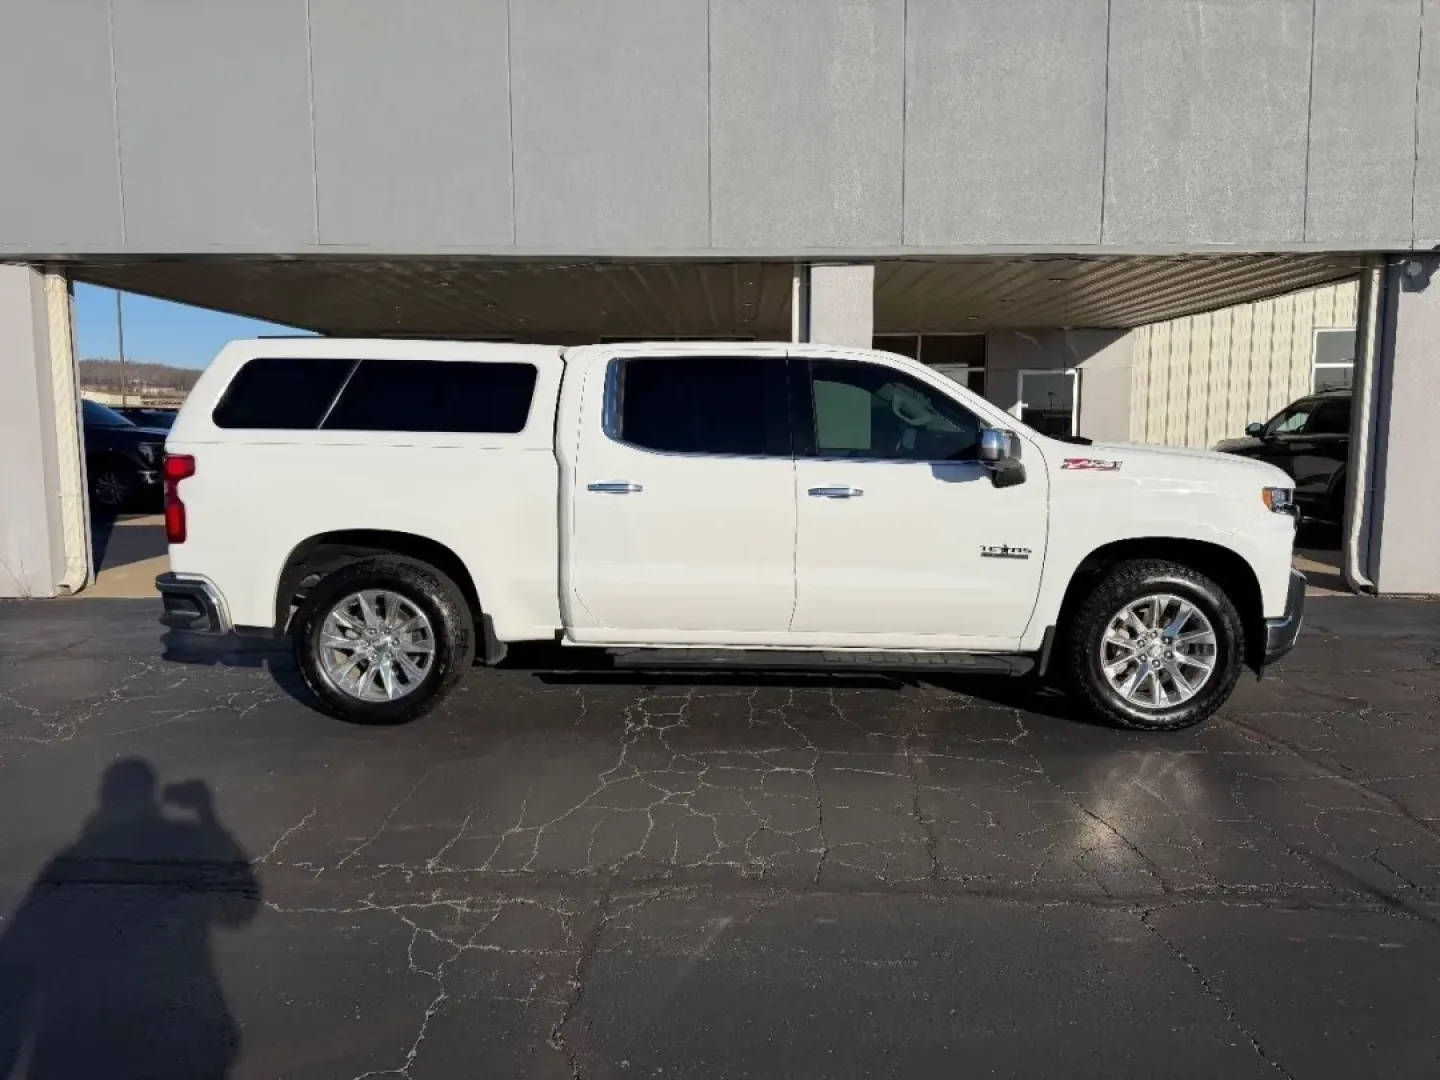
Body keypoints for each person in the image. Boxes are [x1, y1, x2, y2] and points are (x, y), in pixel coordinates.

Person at [0, 759, 260, 1079]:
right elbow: (239, 909)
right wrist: (207, 817)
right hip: (176, 1037)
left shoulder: (74, 864)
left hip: (87, 1043)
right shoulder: (185, 844)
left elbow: (19, 960)